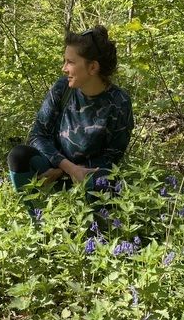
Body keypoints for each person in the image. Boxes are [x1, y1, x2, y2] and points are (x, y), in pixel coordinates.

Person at [7, 25, 134, 198]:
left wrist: (64, 172)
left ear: (92, 68)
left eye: (70, 62)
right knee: (18, 155)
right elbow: (37, 135)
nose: (64, 68)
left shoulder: (119, 102)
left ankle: (89, 221)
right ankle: (36, 218)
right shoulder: (63, 88)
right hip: (51, 167)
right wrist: (67, 167)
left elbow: (112, 157)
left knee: (102, 181)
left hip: (87, 175)